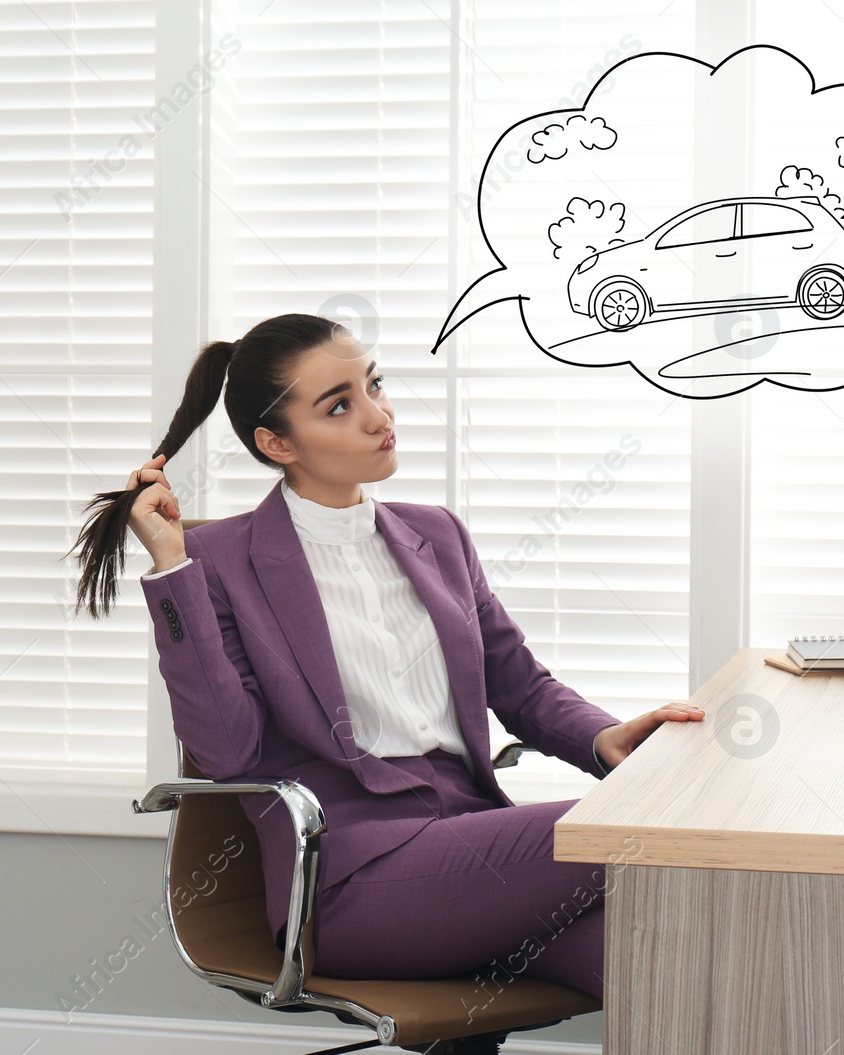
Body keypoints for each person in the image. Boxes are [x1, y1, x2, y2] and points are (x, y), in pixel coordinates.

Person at [66, 313, 705, 998]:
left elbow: (517, 682)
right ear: (276, 442)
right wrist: (172, 569)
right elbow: (225, 749)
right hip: (351, 877)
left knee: (676, 966)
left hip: (472, 840)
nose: (378, 415)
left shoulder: (438, 534)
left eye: (374, 385)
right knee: (636, 830)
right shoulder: (219, 562)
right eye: (340, 405)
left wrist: (603, 737)